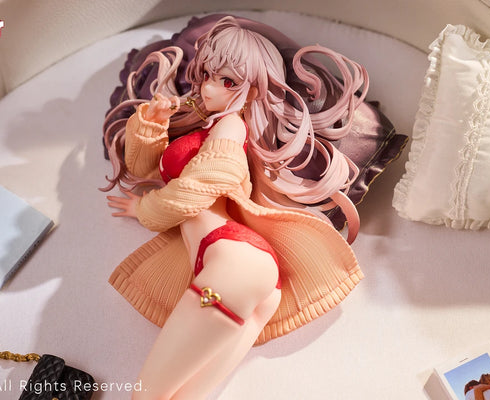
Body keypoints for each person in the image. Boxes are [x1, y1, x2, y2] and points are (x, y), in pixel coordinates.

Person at [103, 16, 367, 399]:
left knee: (146, 395)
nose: (209, 87)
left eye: (228, 81)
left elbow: (197, 190)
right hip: (240, 271)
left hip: (232, 263)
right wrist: (152, 124)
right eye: (207, 75)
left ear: (254, 89)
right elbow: (142, 168)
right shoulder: (203, 129)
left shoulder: (231, 128)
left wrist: (143, 209)